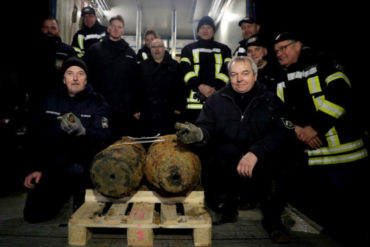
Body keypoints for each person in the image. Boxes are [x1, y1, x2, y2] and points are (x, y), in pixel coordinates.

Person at [175, 56, 293, 243]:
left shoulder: (270, 100)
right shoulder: (216, 100)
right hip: (227, 162)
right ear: (229, 77)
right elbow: (206, 127)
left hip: (258, 161)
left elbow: (282, 132)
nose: (239, 79)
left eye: (245, 74)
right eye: (234, 75)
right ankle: (226, 206)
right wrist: (199, 135)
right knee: (208, 165)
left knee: (286, 161)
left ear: (255, 75)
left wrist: (256, 152)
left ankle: (273, 221)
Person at [273, 32, 369, 245]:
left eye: (284, 47)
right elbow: (278, 113)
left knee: (353, 205)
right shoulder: (282, 76)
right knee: (322, 209)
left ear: (299, 44)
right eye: (276, 50)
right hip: (310, 153)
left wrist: (315, 128)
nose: (279, 53)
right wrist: (297, 129)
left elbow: (342, 95)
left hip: (345, 152)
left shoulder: (325, 63)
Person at [23, 57, 111, 223]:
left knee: (90, 219)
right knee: (34, 215)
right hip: (56, 166)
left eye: (80, 74)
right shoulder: (49, 100)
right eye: (70, 73)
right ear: (64, 79)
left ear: (86, 79)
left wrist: (84, 132)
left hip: (86, 168)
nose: (75, 78)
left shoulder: (98, 102)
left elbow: (105, 137)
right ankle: (61, 195)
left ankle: (80, 197)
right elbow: (35, 137)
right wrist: (35, 168)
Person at [84, 15, 138, 141]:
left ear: (123, 31)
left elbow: (135, 83)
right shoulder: (95, 50)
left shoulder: (130, 54)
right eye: (113, 26)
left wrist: (135, 107)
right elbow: (87, 77)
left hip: (122, 110)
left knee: (119, 145)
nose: (115, 29)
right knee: (98, 141)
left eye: (119, 27)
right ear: (108, 29)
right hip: (99, 107)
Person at [180, 16, 231, 122]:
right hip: (193, 105)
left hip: (218, 101)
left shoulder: (225, 49)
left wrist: (215, 88)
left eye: (208, 27)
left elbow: (228, 70)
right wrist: (200, 86)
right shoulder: (187, 49)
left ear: (213, 31)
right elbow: (185, 71)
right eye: (202, 28)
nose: (205, 30)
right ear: (198, 32)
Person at [134, 38, 186, 137]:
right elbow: (136, 89)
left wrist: (179, 107)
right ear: (150, 49)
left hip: (169, 113)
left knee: (167, 144)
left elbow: (181, 88)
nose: (157, 49)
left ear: (164, 48)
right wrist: (136, 109)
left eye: (160, 46)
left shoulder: (175, 66)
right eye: (153, 47)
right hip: (147, 113)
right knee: (148, 143)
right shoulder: (142, 66)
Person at [28, 17, 77, 105]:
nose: (49, 30)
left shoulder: (67, 51)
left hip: (59, 99)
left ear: (58, 30)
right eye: (46, 27)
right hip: (36, 97)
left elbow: (74, 74)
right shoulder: (33, 50)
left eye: (53, 28)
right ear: (42, 29)